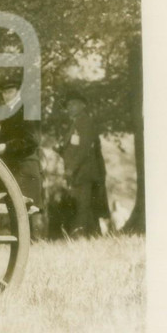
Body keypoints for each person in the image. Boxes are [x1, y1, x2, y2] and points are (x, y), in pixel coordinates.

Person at [0, 81, 45, 238]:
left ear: (18, 92)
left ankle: (39, 246)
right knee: (19, 209)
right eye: (4, 92)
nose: (6, 95)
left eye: (10, 91)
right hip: (15, 167)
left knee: (32, 210)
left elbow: (33, 141)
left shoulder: (27, 109)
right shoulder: (9, 112)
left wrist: (7, 147)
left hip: (26, 166)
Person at [60, 88, 109, 238]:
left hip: (84, 172)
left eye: (74, 104)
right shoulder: (75, 124)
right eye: (68, 105)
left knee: (82, 207)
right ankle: (93, 238)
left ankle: (80, 238)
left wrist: (71, 169)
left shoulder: (84, 121)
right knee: (86, 208)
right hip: (79, 173)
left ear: (83, 105)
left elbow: (84, 149)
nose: (70, 107)